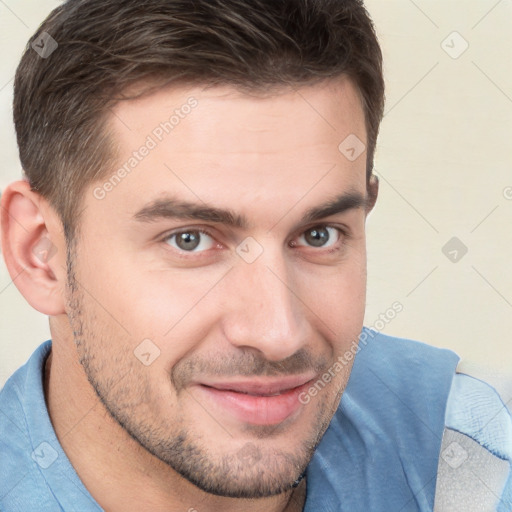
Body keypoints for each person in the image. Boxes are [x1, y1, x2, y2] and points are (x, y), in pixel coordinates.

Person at [0, 0, 510, 510]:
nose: (277, 333)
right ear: (40, 253)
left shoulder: (478, 459)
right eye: (191, 240)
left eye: (319, 235)